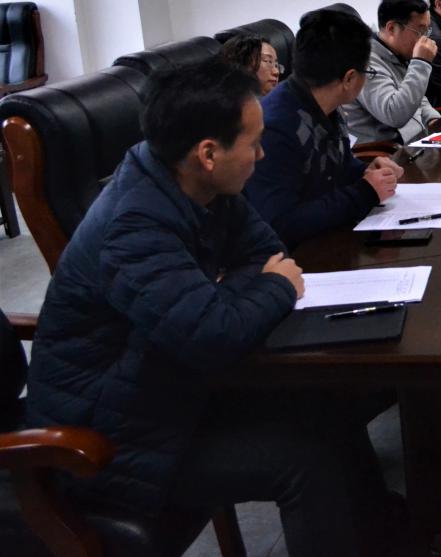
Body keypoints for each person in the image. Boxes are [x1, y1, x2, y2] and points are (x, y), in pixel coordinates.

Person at [24, 58, 398, 556]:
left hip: (167, 393)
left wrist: (229, 290)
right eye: (253, 143)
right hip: (110, 440)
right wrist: (270, 288)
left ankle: (381, 533)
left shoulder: (194, 181)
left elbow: (269, 254)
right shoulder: (133, 226)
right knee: (305, 459)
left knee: (330, 402)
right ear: (208, 153)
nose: (262, 154)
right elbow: (217, 334)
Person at [245, 8, 403, 248]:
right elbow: (281, 224)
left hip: (334, 240)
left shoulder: (323, 104)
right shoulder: (274, 127)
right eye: (367, 72)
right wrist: (365, 192)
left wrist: (365, 170)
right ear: (349, 79)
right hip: (299, 258)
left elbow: (337, 167)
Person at [343, 0, 441, 144]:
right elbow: (394, 115)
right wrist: (421, 63)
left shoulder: (398, 52)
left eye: (427, 31)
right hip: (384, 151)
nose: (425, 39)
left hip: (415, 141)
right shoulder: (365, 61)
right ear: (391, 28)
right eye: (420, 31)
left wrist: (432, 118)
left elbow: (417, 97)